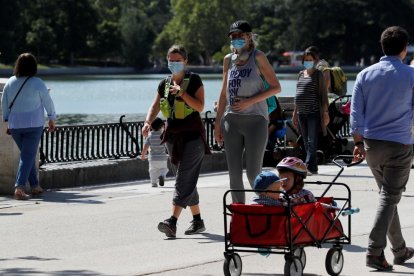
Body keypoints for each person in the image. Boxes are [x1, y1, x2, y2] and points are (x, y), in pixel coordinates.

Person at [351, 26, 414, 271]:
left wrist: (358, 143)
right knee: (389, 197)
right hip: (399, 145)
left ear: (382, 46)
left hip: (371, 146)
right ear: (404, 48)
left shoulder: (364, 75)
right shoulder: (410, 75)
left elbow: (356, 114)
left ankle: (399, 250)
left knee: (388, 198)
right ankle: (374, 251)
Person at [142, 44, 210, 238]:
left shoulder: (194, 80)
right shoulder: (164, 83)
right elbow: (155, 106)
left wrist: (182, 94)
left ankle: (172, 221)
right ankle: (197, 221)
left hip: (193, 137)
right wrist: (147, 122)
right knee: (185, 178)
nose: (173, 63)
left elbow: (200, 106)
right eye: (170, 60)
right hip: (172, 137)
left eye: (177, 60)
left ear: (185, 61)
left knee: (183, 179)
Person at [214, 20, 282, 203]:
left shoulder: (258, 57)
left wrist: (249, 101)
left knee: (254, 174)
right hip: (232, 121)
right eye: (233, 37)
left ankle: (270, 206)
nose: (236, 40)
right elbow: (223, 92)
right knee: (234, 175)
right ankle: (239, 216)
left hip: (256, 120)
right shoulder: (228, 60)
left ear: (249, 37)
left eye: (240, 36)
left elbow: (276, 87)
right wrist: (217, 123)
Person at [1, 53, 56, 200]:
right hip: (33, 124)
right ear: (34, 66)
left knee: (28, 155)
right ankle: (19, 187)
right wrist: (52, 118)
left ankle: (35, 186)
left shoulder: (10, 82)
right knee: (27, 155)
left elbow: (4, 103)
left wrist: (7, 120)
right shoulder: (38, 83)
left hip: (15, 125)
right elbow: (47, 102)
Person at [292, 46, 329, 175]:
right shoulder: (300, 74)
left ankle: (307, 166)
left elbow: (323, 95)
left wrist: (325, 113)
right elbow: (298, 93)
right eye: (306, 59)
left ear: (315, 60)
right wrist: (294, 113)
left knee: (312, 140)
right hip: (301, 113)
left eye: (310, 59)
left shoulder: (318, 74)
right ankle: (313, 167)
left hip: (313, 112)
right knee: (305, 141)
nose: (308, 61)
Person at [141, 117, 169, 187]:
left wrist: (143, 155)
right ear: (162, 126)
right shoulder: (163, 136)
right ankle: (162, 175)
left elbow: (145, 147)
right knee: (164, 169)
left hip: (153, 158)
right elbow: (168, 144)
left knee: (152, 170)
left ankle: (154, 183)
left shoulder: (150, 136)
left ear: (151, 126)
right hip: (162, 158)